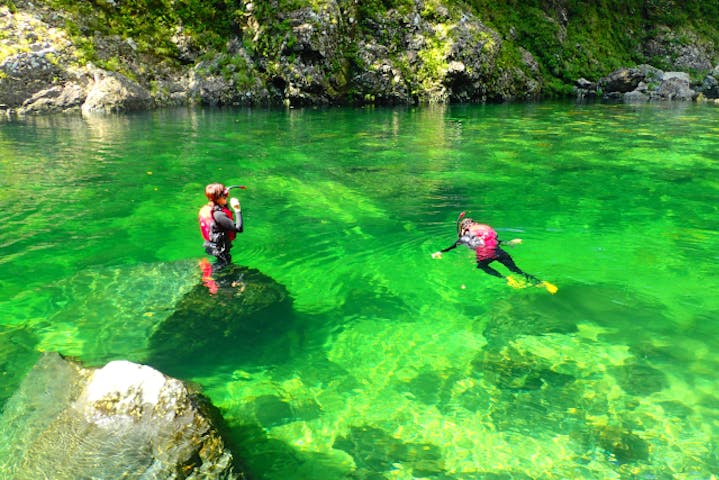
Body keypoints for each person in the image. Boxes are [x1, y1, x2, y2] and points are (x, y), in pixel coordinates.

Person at [432, 212, 554, 292]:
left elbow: (454, 246)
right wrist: (510, 243)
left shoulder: (466, 236)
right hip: (499, 252)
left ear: (465, 228)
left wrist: (440, 252)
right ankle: (542, 283)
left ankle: (506, 279)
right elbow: (493, 241)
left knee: (481, 266)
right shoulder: (484, 231)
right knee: (516, 270)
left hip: (485, 256)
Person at [199, 182, 243, 269]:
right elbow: (239, 228)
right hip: (220, 250)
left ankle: (206, 267)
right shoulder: (218, 215)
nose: (227, 196)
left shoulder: (210, 209)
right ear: (220, 197)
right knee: (224, 265)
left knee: (220, 262)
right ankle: (211, 277)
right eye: (225, 195)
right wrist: (237, 209)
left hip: (211, 245)